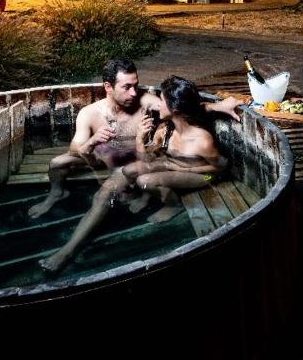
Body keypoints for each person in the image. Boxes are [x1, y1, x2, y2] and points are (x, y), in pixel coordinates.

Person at [39, 76, 227, 273]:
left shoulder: (202, 140)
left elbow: (221, 167)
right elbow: (146, 160)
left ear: (176, 110)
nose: (157, 104)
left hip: (205, 176)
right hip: (172, 165)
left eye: (161, 101)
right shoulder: (165, 130)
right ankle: (70, 247)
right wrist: (140, 139)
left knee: (145, 181)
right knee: (127, 172)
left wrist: (184, 169)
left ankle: (174, 205)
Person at [27, 59, 239, 220]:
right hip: (106, 156)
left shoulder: (146, 101)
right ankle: (56, 193)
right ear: (108, 87)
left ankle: (150, 198)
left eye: (135, 85)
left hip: (140, 157)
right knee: (57, 163)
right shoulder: (89, 113)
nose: (134, 92)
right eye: (126, 87)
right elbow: (76, 151)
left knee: (140, 179)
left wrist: (217, 106)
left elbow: (180, 107)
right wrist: (92, 142)